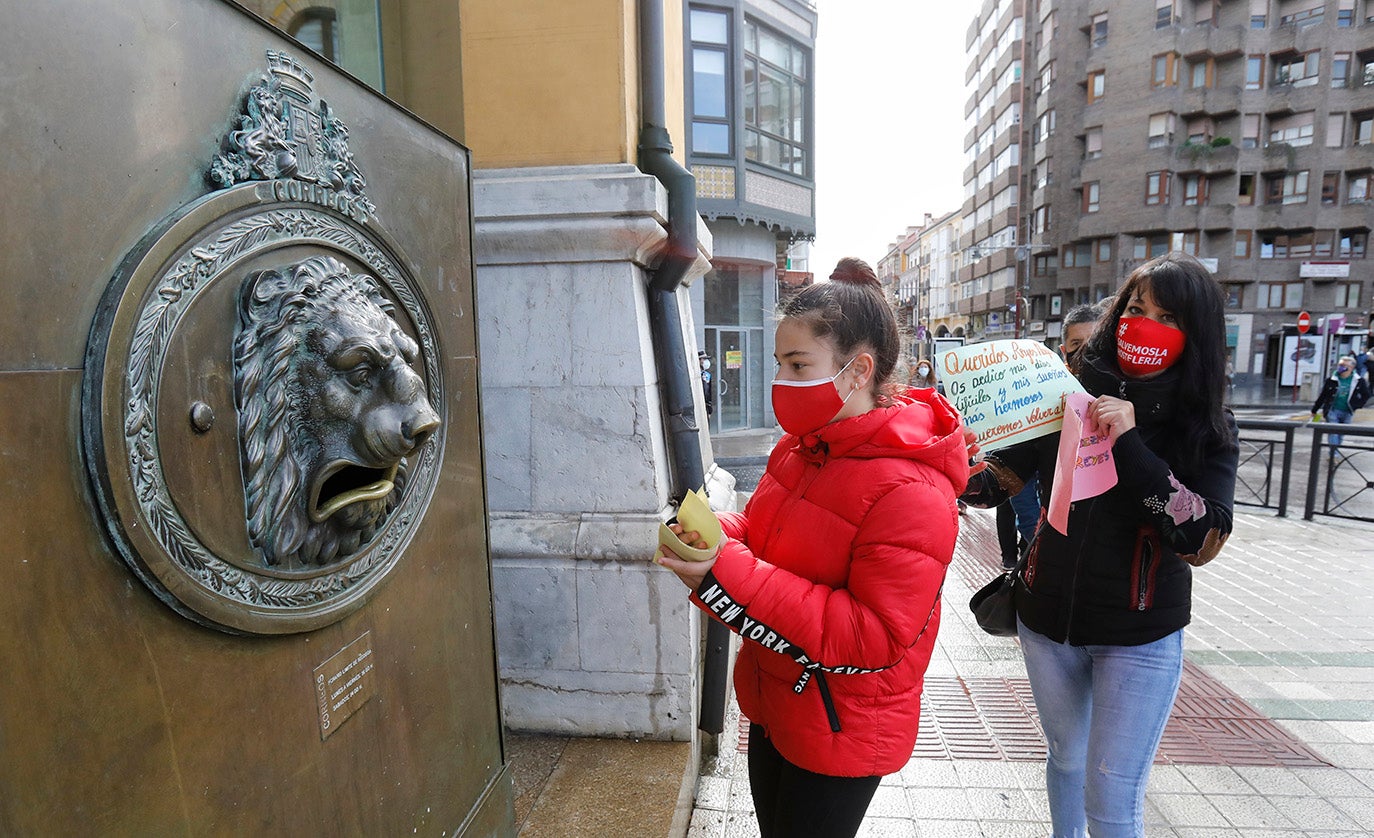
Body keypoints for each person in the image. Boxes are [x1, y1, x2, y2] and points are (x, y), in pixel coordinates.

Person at [657, 257, 970, 837]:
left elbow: (873, 635)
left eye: (798, 364)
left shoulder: (914, 491)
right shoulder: (799, 450)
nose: (781, 380)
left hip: (840, 725)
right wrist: (713, 533)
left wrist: (726, 570)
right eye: (780, 363)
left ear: (858, 372)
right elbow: (760, 536)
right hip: (778, 704)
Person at [963, 253, 1238, 837]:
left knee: (1112, 801)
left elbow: (1201, 538)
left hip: (1139, 636)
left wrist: (1131, 444)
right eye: (1136, 309)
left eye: (1166, 316)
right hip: (1047, 623)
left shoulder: (1206, 424)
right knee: (1065, 758)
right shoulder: (1067, 395)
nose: (1143, 325)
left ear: (1195, 335)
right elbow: (1004, 477)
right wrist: (950, 467)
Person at [996, 303, 1105, 568]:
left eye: (1095, 342)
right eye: (1077, 343)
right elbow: (1007, 477)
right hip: (1053, 562)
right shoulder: (1050, 406)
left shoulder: (1132, 406)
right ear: (1064, 352)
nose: (1087, 352)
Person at [1311, 355, 1370, 448]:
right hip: (1332, 410)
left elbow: (1366, 395)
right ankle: (1334, 456)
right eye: (1340, 365)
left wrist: (1357, 405)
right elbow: (1323, 396)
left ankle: (1334, 452)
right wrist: (1314, 410)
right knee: (1333, 432)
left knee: (1341, 433)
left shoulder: (1358, 381)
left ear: (1351, 368)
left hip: (1348, 411)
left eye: (1343, 365)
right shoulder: (1331, 380)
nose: (1340, 367)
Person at [698, 350, 715, 417]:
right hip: (703, 405)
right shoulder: (705, 375)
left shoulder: (704, 374)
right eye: (704, 359)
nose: (706, 361)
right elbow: (706, 391)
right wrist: (708, 406)